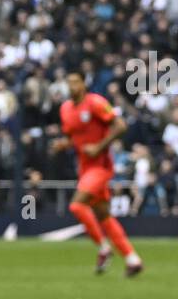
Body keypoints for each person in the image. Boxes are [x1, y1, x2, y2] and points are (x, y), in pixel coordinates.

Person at [55, 71, 143, 276]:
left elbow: (120, 126)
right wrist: (63, 144)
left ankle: (103, 248)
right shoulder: (65, 109)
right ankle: (132, 260)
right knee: (104, 215)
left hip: (101, 166)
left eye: (75, 82)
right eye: (69, 82)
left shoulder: (95, 103)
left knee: (77, 205)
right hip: (84, 168)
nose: (72, 86)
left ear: (83, 85)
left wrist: (99, 146)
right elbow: (74, 137)